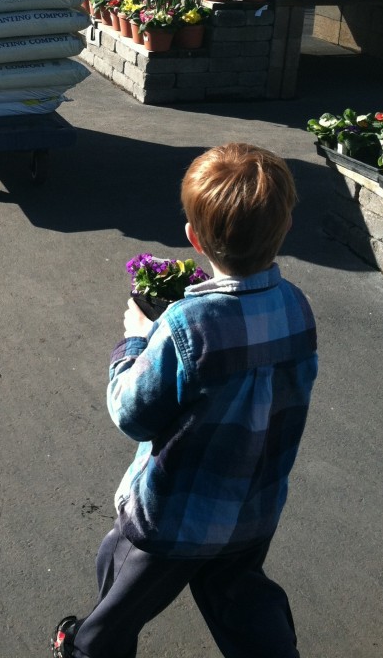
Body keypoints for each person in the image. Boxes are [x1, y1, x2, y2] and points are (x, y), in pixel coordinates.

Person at [51, 143, 318, 658]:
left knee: (119, 582)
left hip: (173, 518)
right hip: (252, 506)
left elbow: (132, 413)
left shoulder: (184, 326)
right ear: (284, 229)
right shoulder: (296, 307)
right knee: (243, 598)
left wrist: (136, 340)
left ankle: (86, 646)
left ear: (193, 238)